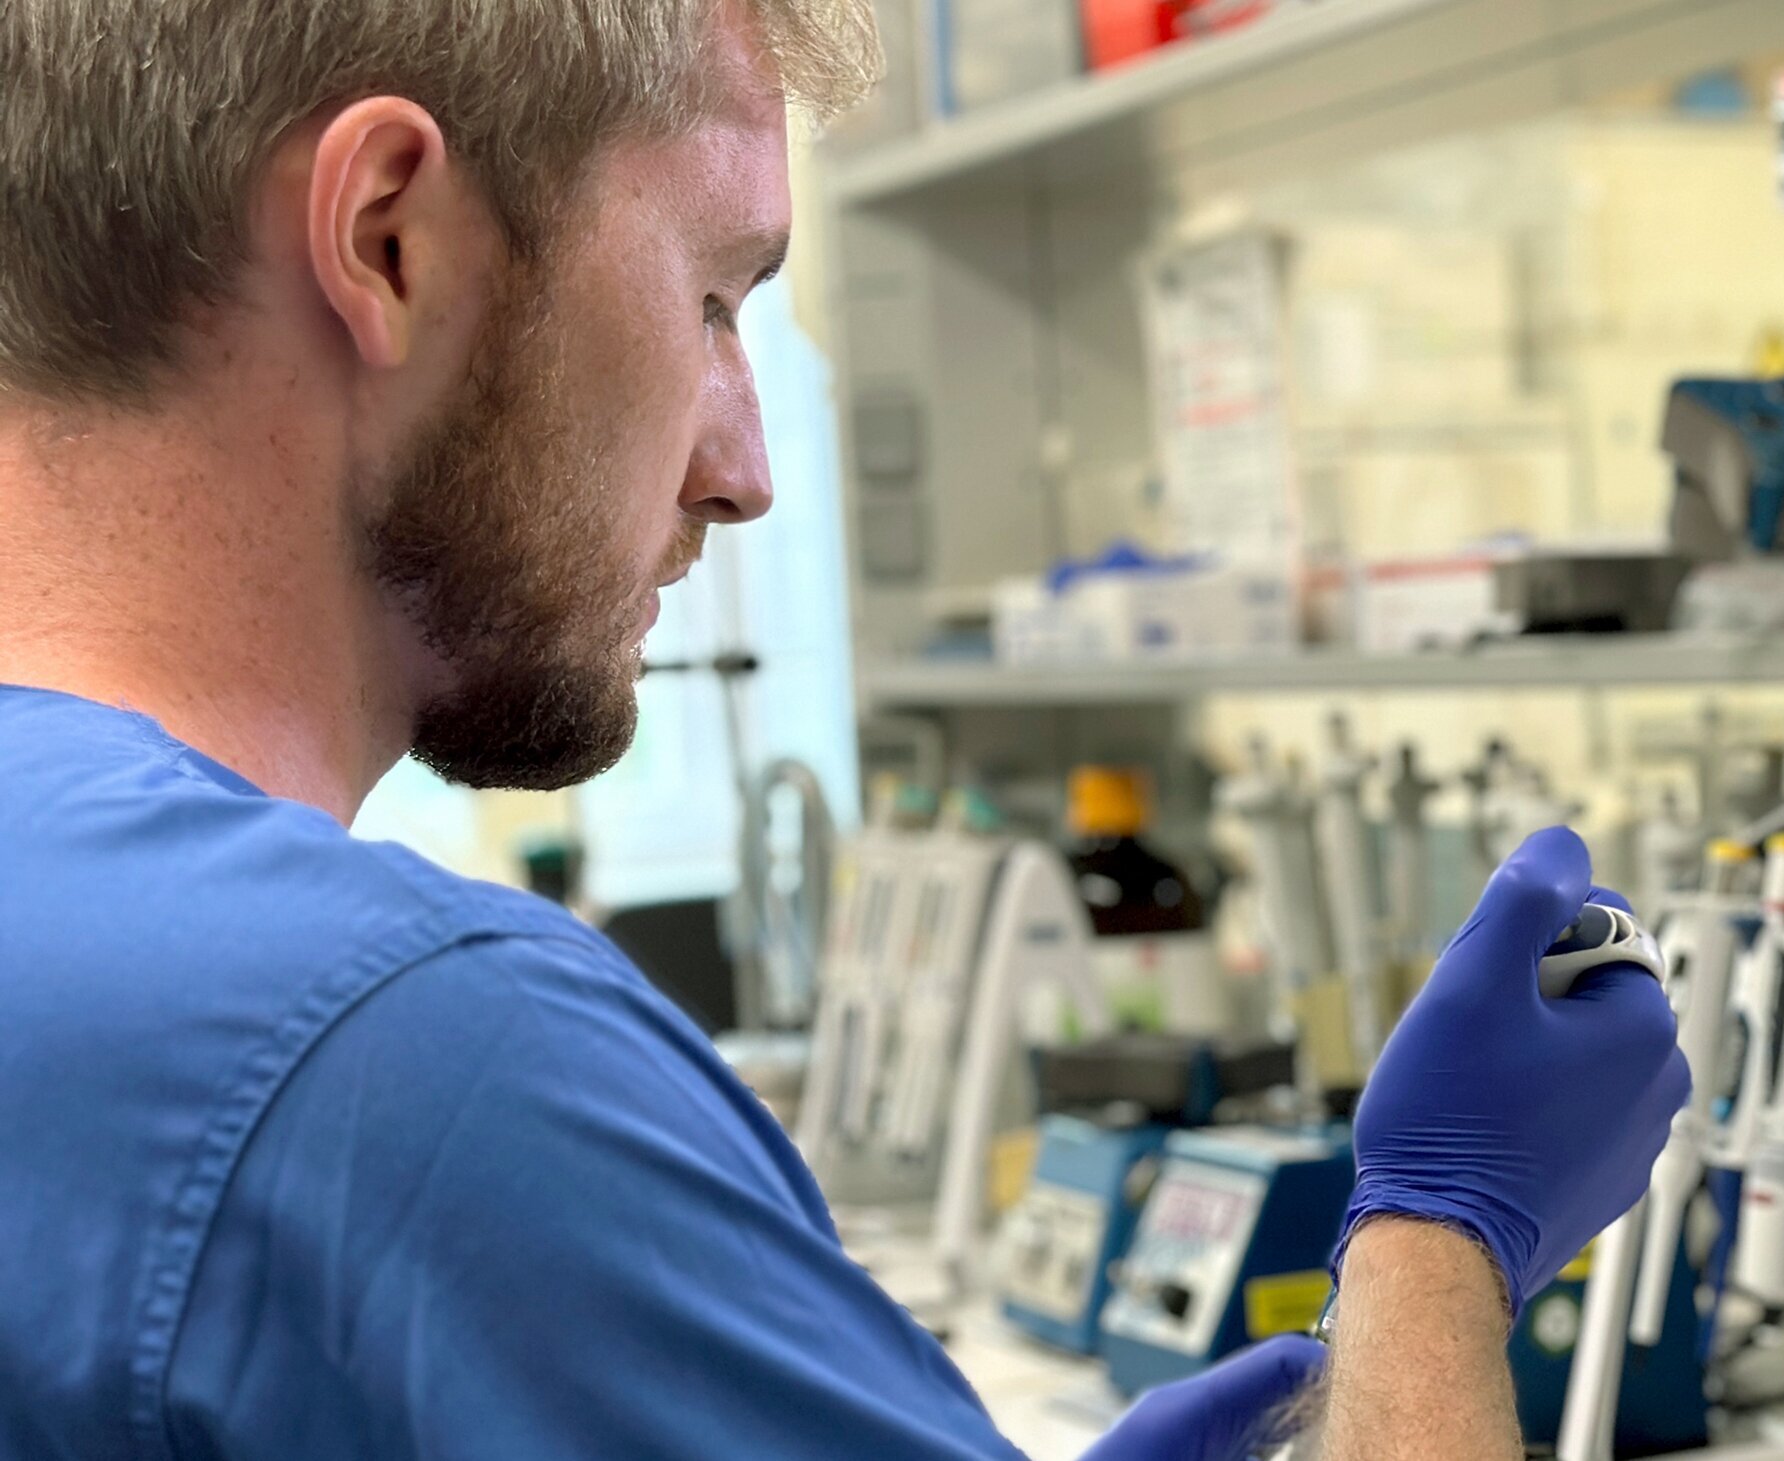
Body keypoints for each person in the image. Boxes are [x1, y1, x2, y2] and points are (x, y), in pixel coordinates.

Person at [0, 2, 1692, 1458]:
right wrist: (1437, 1244)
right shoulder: (415, 1059)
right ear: (389, 239)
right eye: (714, 297)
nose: (744, 471)